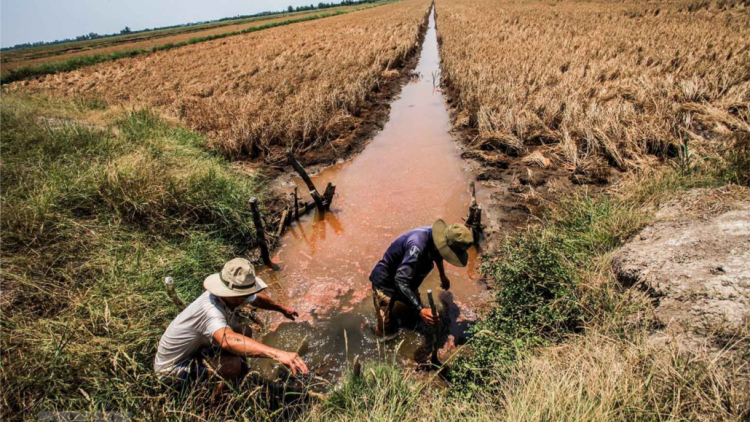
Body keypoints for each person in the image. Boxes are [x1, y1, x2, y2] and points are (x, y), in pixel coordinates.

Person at [154, 258, 308, 383]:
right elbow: (227, 340)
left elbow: (257, 300)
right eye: (243, 296)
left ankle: (237, 376)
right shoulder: (211, 310)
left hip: (196, 350)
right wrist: (277, 353)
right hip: (173, 369)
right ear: (229, 293)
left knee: (245, 331)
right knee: (232, 366)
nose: (246, 298)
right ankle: (218, 403)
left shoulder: (231, 296)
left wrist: (282, 309)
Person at [369, 219, 474, 336]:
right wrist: (420, 309)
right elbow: (401, 280)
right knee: (385, 328)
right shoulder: (417, 246)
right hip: (386, 283)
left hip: (408, 280)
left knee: (413, 316)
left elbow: (438, 255)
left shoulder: (437, 239)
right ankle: (377, 335)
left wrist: (442, 275)